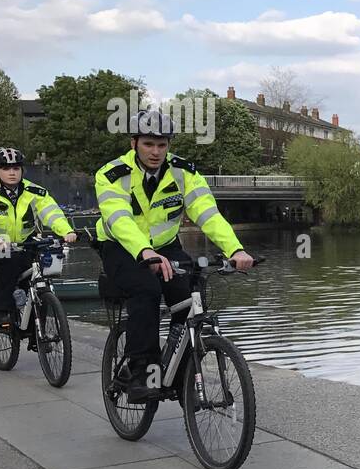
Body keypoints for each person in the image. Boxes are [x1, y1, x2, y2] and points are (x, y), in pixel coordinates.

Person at [93, 109, 253, 400]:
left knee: (190, 295)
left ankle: (179, 370)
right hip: (122, 246)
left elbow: (208, 214)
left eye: (162, 145)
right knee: (146, 289)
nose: (156, 152)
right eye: (148, 144)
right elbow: (118, 219)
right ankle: (141, 370)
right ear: (134, 143)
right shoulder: (111, 174)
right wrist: (144, 250)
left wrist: (235, 249)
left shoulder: (184, 173)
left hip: (166, 247)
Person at [0, 148, 76, 328]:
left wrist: (67, 231)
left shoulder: (34, 191)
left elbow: (51, 213)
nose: (12, 173)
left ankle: (36, 330)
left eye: (16, 168)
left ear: (22, 171)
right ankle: (1, 312)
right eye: (6, 169)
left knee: (40, 273)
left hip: (24, 241)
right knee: (8, 259)